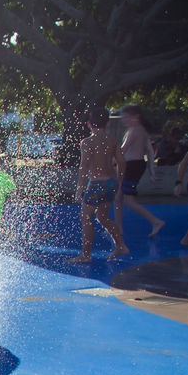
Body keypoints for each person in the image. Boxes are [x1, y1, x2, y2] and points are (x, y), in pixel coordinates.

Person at [71, 107, 129, 263]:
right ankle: (121, 245)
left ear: (89, 124)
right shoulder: (112, 141)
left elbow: (84, 166)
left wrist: (79, 189)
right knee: (102, 216)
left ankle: (85, 255)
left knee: (85, 217)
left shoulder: (87, 142)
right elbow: (122, 162)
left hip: (97, 184)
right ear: (108, 123)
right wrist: (120, 183)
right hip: (111, 183)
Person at [117, 105, 165, 237]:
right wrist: (151, 171)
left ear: (135, 117)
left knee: (128, 200)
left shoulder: (134, 130)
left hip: (132, 165)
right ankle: (118, 228)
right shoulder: (142, 130)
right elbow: (149, 151)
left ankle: (156, 221)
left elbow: (124, 149)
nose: (123, 120)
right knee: (118, 197)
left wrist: (108, 162)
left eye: (125, 117)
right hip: (136, 165)